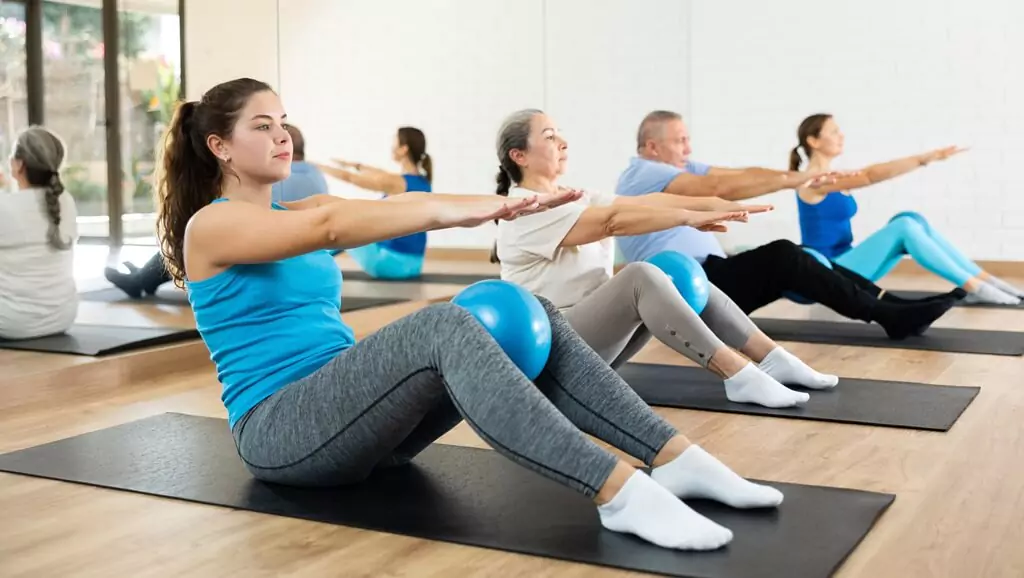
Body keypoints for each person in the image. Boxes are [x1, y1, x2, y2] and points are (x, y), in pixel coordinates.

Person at [159, 77, 789, 553]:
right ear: (219, 146)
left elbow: (400, 202)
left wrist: (494, 207)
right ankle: (618, 492)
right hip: (282, 431)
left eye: (284, 123)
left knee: (528, 309)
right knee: (444, 322)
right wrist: (467, 214)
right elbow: (336, 223)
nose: (282, 137)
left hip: (361, 424)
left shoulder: (293, 211)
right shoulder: (211, 227)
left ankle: (678, 459)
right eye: (262, 126)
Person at [493, 109, 839, 409]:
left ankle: (773, 358)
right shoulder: (525, 210)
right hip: (554, 351)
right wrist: (689, 218)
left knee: (673, 267)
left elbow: (642, 203)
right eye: (550, 137)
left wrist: (711, 205)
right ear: (519, 155)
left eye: (560, 135)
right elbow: (612, 222)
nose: (563, 143)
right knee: (639, 276)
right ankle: (737, 375)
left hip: (593, 337)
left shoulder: (572, 197)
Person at [614, 110, 962, 340]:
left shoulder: (674, 167)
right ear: (652, 146)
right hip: (685, 289)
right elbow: (718, 188)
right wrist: (793, 181)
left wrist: (795, 175)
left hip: (708, 276)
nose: (688, 147)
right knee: (783, 254)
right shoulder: (645, 172)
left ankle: (897, 307)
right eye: (680, 141)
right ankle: (888, 314)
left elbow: (735, 174)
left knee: (795, 254)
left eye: (688, 139)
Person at [792, 113, 1021, 305]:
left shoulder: (834, 178)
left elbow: (866, 173)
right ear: (813, 141)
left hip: (847, 265)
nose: (841, 136)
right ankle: (974, 287)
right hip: (825, 274)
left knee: (910, 218)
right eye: (833, 131)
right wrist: (924, 158)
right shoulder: (813, 182)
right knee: (903, 227)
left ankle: (985, 280)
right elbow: (870, 175)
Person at [103, 123, 327, 298]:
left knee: (187, 240)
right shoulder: (315, 173)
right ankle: (144, 275)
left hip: (276, 242)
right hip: (297, 244)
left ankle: (142, 279)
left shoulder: (275, 178)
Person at [315, 127, 433, 279]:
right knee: (356, 225)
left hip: (390, 265)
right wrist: (355, 165)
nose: (392, 147)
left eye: (394, 143)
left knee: (340, 227)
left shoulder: (397, 183)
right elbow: (380, 174)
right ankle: (316, 258)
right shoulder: (423, 182)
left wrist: (315, 166)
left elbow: (349, 178)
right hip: (414, 266)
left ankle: (308, 262)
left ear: (403, 149)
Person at [0, 126, 78, 340]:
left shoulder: (5, 206)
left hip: (11, 323)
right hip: (63, 317)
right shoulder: (66, 202)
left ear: (19, 164)